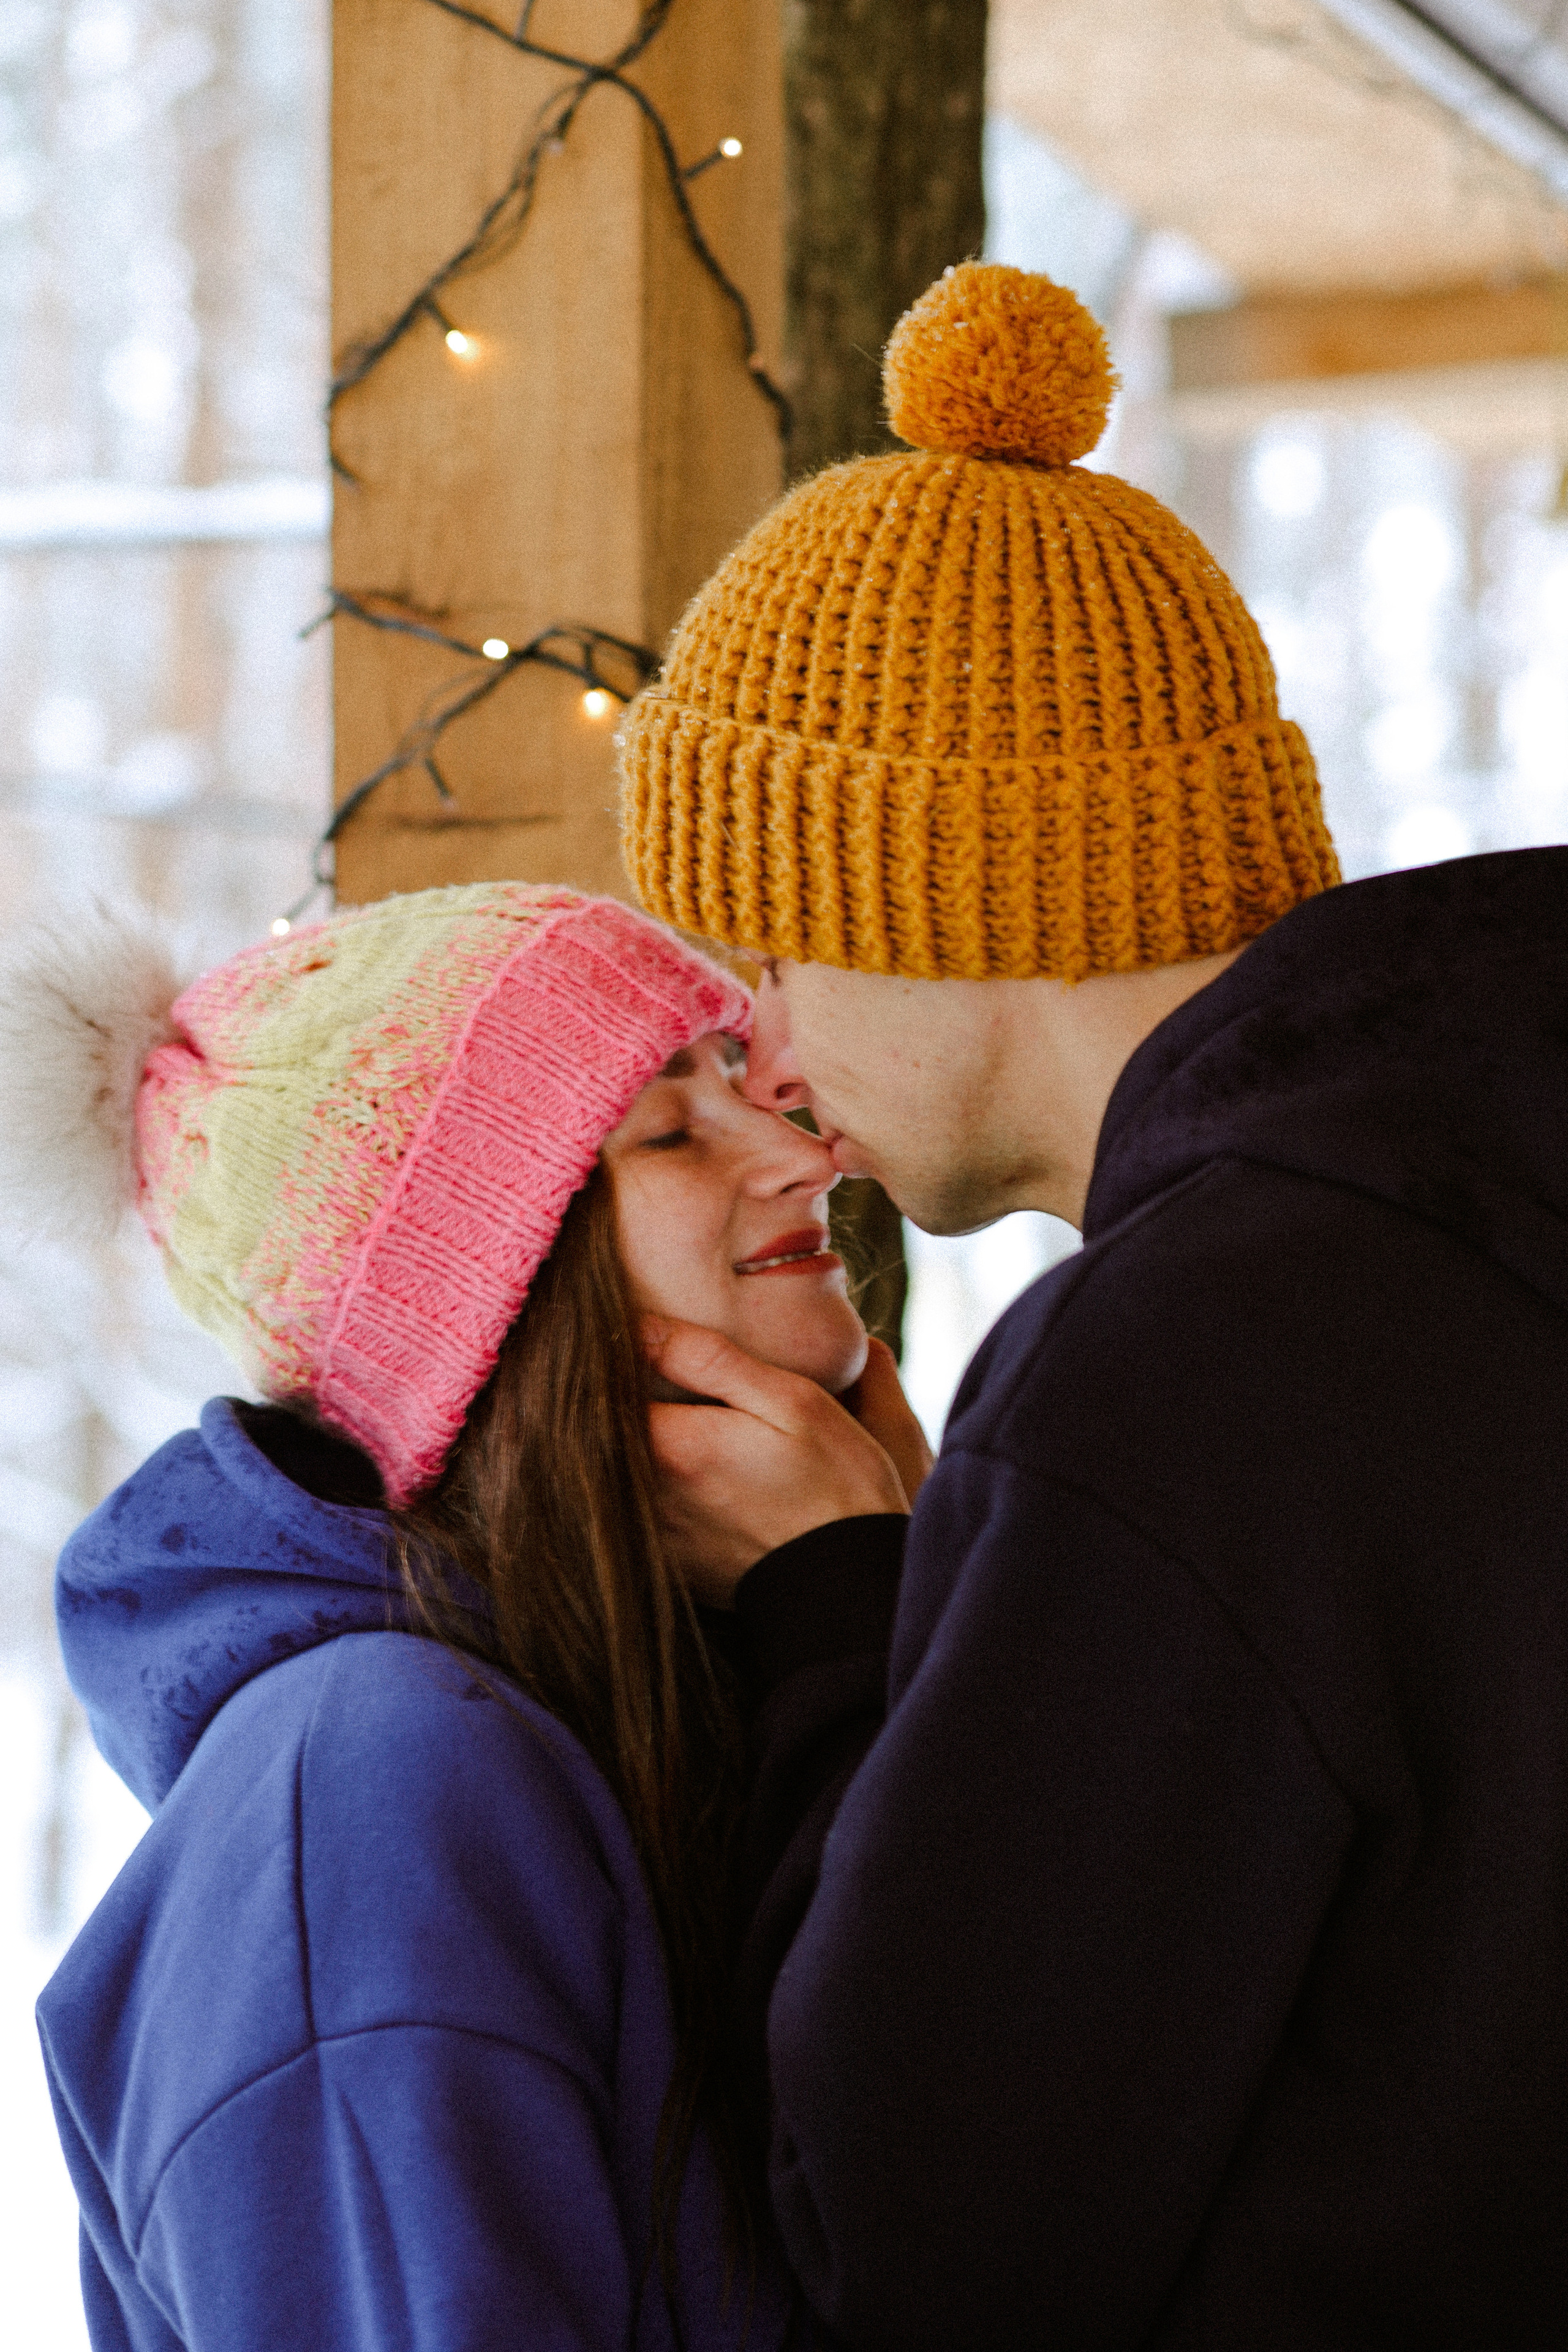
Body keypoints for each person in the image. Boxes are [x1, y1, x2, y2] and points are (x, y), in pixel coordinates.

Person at [619, 263, 1568, 2348]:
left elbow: (918, 2240)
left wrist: (832, 1613)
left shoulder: (1182, 1380)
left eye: (766, 953)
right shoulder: (1487, 1192)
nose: (763, 1054)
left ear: (939, 883)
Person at [8, 881, 925, 2352]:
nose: (803, 1150)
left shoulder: (690, 1685)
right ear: (490, 1313)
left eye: (749, 1081)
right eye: (673, 1133)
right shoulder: (368, 1795)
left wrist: (885, 1611)